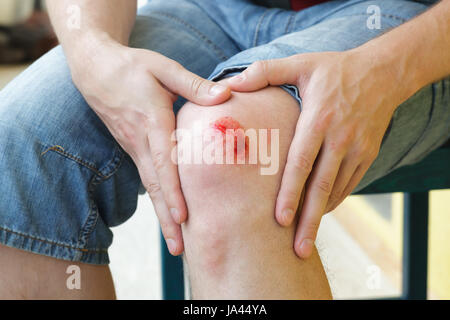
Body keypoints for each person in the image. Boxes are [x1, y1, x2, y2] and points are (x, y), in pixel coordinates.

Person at [0, 0, 448, 299]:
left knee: (228, 150)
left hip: (409, 25)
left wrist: (386, 69)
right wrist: (92, 51)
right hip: (207, 8)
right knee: (25, 142)